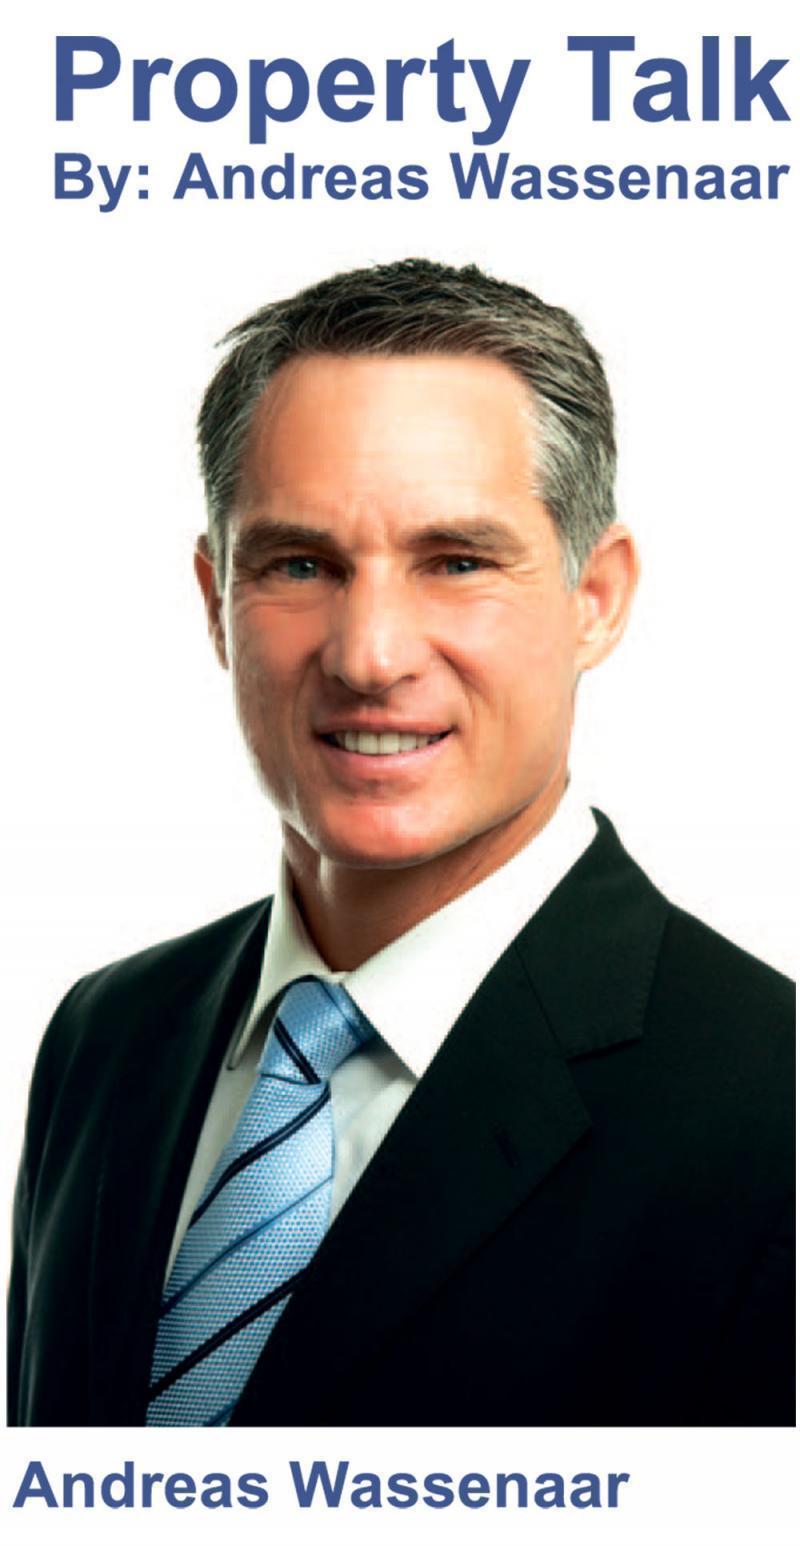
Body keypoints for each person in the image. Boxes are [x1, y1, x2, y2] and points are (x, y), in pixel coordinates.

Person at [8, 259, 793, 1428]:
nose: (368, 654)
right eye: (300, 564)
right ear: (215, 599)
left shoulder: (770, 1108)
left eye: (456, 561)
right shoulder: (106, 1034)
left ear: (594, 597)